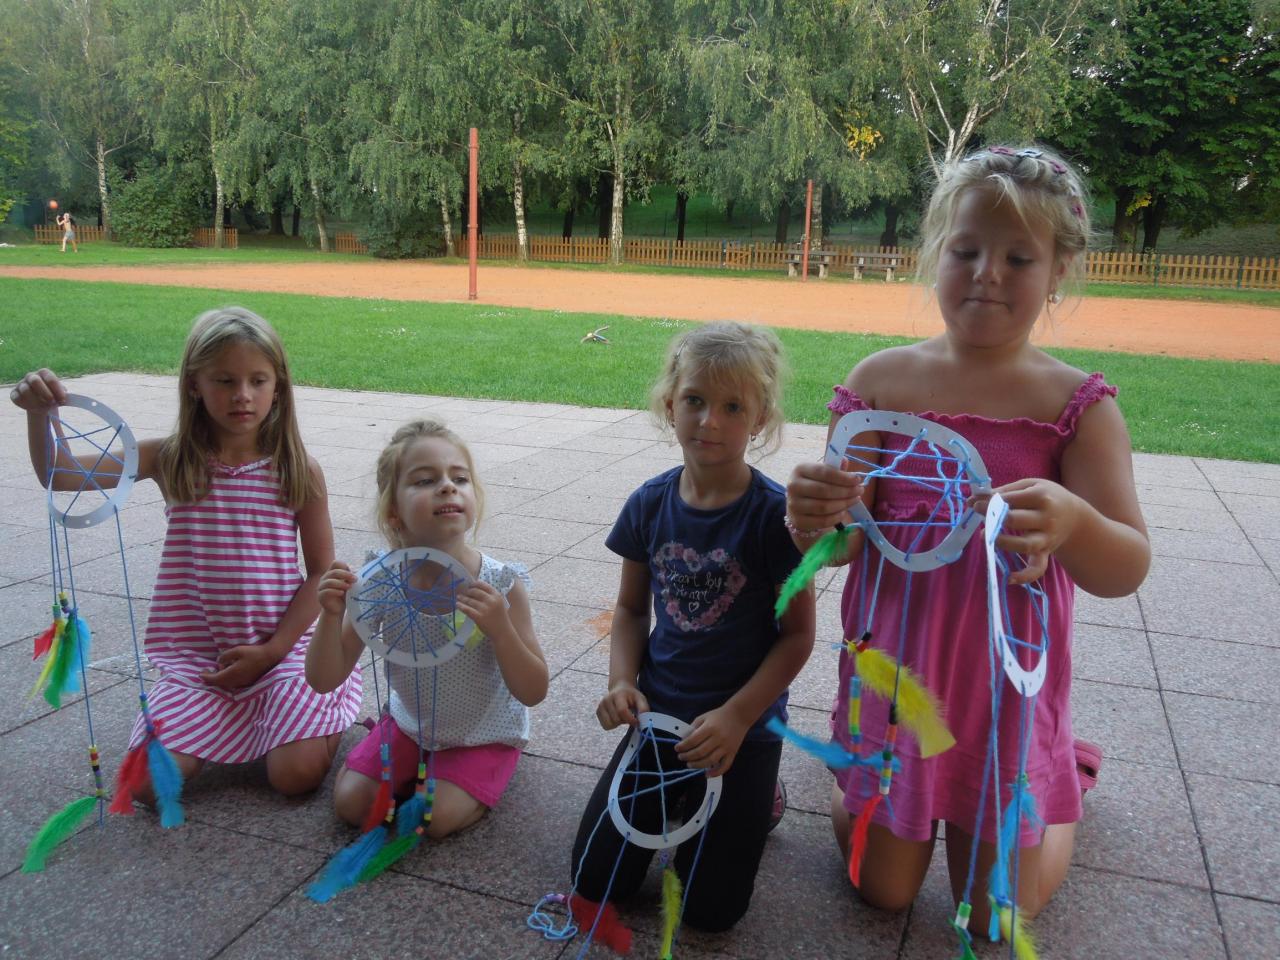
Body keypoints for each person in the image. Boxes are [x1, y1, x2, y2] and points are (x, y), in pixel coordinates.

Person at [784, 145, 1151, 929]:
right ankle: (871, 785)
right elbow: (847, 538)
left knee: (992, 919)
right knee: (881, 890)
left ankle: (1059, 793)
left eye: (1019, 258)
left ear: (1058, 272)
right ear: (934, 254)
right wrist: (812, 518)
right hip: (902, 680)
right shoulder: (880, 383)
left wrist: (1074, 520)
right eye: (966, 250)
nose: (987, 273)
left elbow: (1126, 566)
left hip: (1003, 692)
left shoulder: (1076, 406)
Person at [11, 307, 360, 798]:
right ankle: (231, 720)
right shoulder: (170, 456)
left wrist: (272, 651)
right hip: (198, 660)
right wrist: (40, 413)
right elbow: (61, 474)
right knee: (147, 785)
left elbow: (320, 573)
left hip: (284, 652)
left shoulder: (298, 468)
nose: (242, 394)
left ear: (278, 387)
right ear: (194, 384)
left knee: (295, 777)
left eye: (258, 380)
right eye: (225, 380)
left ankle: (323, 711)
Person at [569, 321, 816, 933]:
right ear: (669, 404)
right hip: (659, 719)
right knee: (595, 880)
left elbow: (797, 636)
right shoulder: (649, 503)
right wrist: (621, 682)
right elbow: (631, 611)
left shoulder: (774, 519)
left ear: (760, 419)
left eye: (733, 407)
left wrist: (736, 718)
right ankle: (681, 795)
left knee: (711, 913)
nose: (709, 420)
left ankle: (760, 796)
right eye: (695, 400)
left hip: (742, 730)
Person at [306, 419, 548, 838]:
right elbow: (324, 679)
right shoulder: (379, 582)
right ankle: (413, 762)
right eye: (425, 480)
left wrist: (501, 631)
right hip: (409, 726)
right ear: (393, 510)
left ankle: (493, 764)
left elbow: (534, 689)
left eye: (460, 478)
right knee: (350, 803)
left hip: (482, 734)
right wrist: (329, 615)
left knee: (430, 819)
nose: (447, 487)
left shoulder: (499, 584)